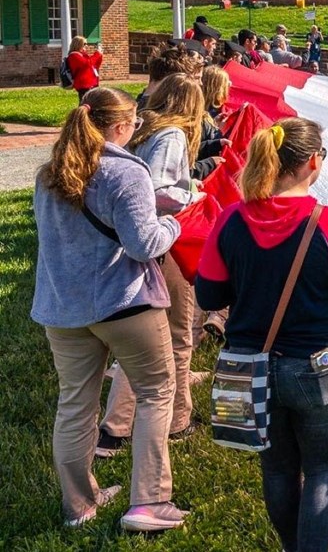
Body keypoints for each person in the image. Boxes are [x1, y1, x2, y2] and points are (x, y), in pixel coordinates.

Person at [195, 117, 328, 551]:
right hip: (320, 366)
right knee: (323, 468)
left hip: (251, 366)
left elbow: (208, 292)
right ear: (313, 162)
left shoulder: (230, 220)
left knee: (276, 470)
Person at [32, 88, 189, 531]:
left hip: (63, 308)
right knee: (157, 393)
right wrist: (175, 221)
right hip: (124, 304)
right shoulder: (126, 171)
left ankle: (78, 506)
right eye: (135, 122)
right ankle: (150, 502)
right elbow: (145, 245)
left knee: (75, 405)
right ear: (121, 126)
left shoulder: (50, 173)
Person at [97, 74, 208, 457]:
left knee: (148, 344)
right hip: (166, 241)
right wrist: (191, 193)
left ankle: (116, 425)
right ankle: (173, 420)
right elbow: (157, 192)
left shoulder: (145, 131)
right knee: (175, 336)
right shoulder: (173, 134)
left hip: (141, 240)